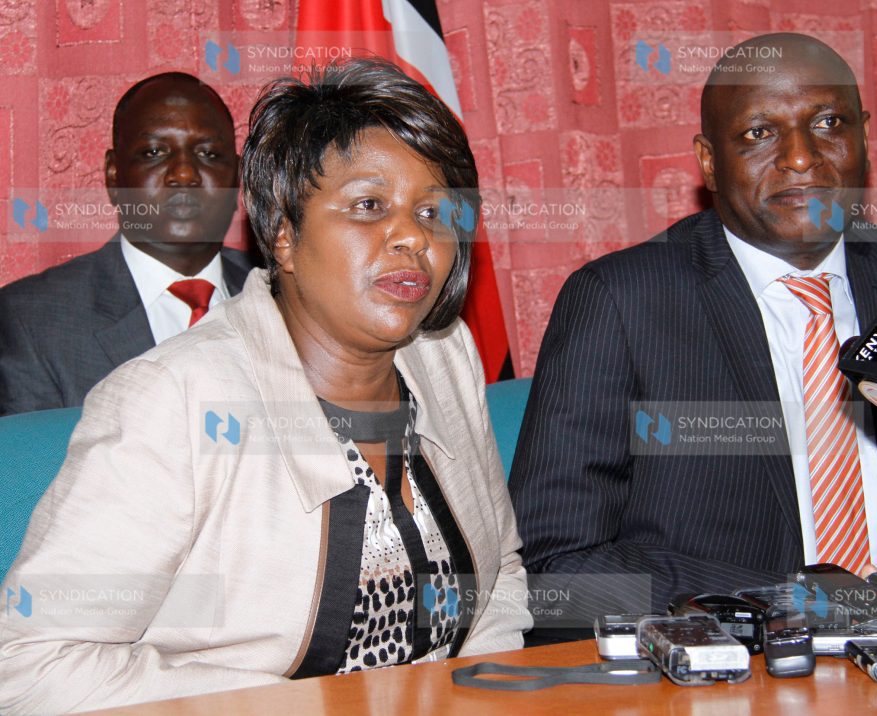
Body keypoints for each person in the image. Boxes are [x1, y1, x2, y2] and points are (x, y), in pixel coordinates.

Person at [0, 59, 530, 713]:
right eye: (369, 206)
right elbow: (29, 667)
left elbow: (500, 571)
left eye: (432, 210)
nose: (411, 237)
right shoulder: (172, 400)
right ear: (283, 233)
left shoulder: (444, 355)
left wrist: (480, 696)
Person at [508, 33, 877, 628]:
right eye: (759, 133)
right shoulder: (620, 302)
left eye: (829, 122)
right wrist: (794, 602)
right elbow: (556, 567)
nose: (801, 157)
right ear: (707, 161)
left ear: (865, 136)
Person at [0, 72, 253, 416]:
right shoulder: (30, 321)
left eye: (208, 154)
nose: (184, 174)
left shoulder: (290, 298)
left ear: (237, 175)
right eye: (154, 152)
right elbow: (36, 467)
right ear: (114, 175)